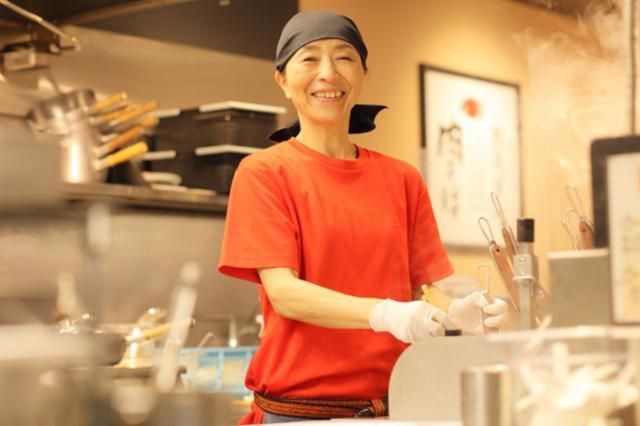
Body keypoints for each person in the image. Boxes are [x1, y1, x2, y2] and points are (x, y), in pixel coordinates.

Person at [218, 11, 507, 425]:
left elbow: (428, 287)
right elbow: (284, 293)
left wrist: (463, 311)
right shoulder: (264, 173)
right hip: (300, 414)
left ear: (363, 74)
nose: (328, 73)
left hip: (397, 405)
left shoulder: (402, 178)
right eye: (309, 59)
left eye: (344, 58)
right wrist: (385, 314)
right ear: (281, 79)